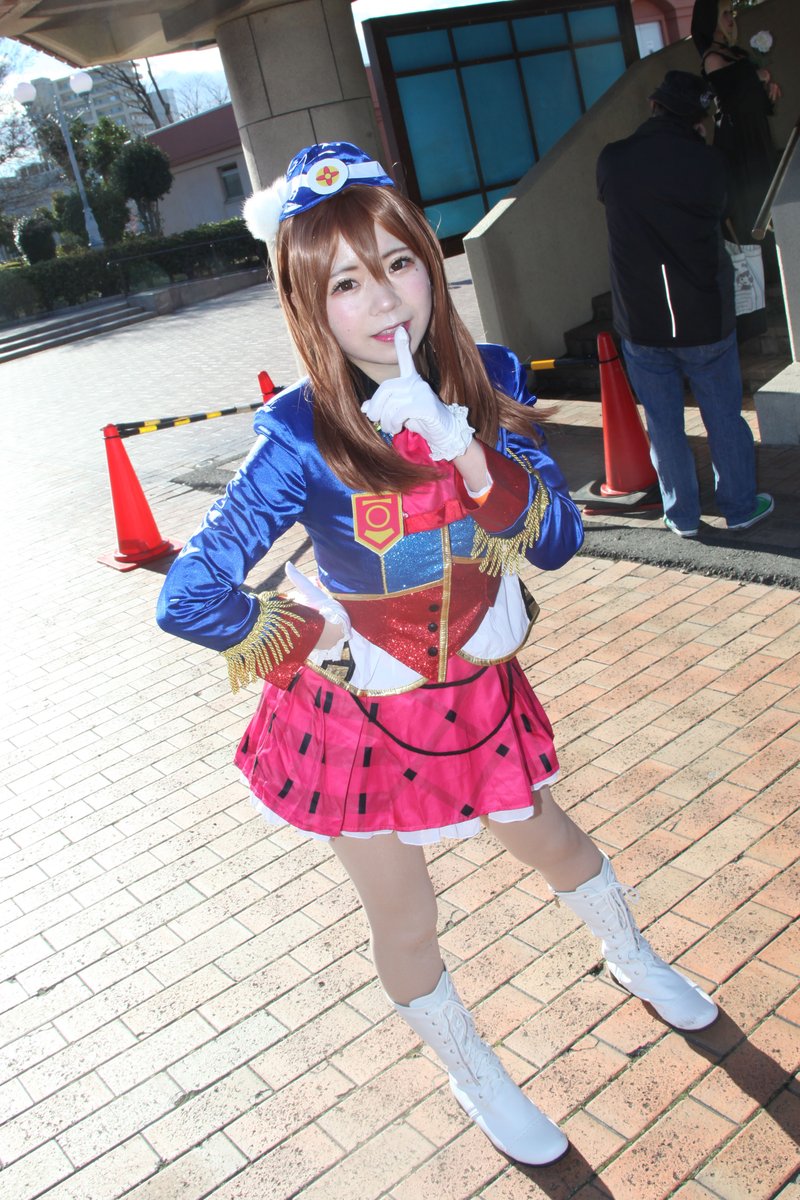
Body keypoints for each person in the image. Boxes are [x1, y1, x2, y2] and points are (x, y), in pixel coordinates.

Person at [157, 141, 718, 1167]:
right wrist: (312, 639)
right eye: (344, 282)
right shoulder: (299, 435)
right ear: (308, 304)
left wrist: (467, 448)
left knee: (552, 840)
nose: (383, 300)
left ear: (429, 261)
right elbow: (187, 594)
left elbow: (557, 539)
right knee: (405, 913)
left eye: (397, 263)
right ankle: (472, 1068)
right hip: (357, 718)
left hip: (473, 691)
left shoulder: (486, 377)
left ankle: (630, 954)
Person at [597, 72, 773, 538]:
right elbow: (723, 208)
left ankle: (681, 515)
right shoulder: (708, 164)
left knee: (664, 425)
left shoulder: (613, 159)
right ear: (698, 119)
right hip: (705, 317)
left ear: (654, 106)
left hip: (641, 320)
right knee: (723, 418)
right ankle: (739, 507)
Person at [691, 0, 781, 245]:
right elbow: (730, 95)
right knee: (750, 198)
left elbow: (750, 96)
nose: (731, 18)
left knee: (767, 189)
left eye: (730, 13)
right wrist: (756, 77)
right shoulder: (712, 58)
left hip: (755, 132)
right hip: (737, 138)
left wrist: (766, 89)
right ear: (711, 20)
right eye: (724, 14)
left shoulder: (736, 53)